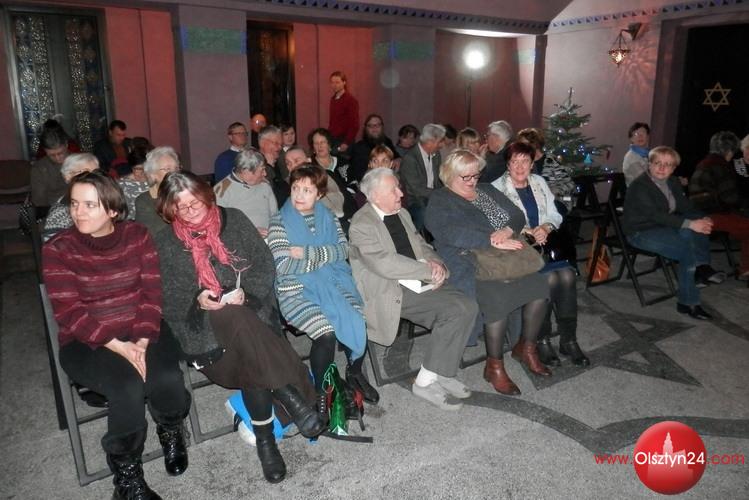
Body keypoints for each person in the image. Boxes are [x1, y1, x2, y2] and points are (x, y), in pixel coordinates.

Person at [155, 171, 325, 484]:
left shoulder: (234, 220)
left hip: (252, 320)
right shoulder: (165, 242)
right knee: (238, 324)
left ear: (207, 196)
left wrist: (246, 293)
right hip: (203, 332)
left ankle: (266, 441)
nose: (190, 212)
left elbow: (265, 264)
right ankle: (289, 393)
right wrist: (198, 300)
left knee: (246, 342)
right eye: (181, 207)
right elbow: (165, 297)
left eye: (195, 203)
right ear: (170, 209)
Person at [43, 171, 190, 499]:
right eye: (74, 204)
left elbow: (152, 292)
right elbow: (70, 313)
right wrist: (120, 348)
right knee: (127, 387)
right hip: (86, 342)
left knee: (167, 378)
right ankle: (126, 475)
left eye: (89, 205)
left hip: (141, 327)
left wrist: (140, 340)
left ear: (112, 210)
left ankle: (170, 430)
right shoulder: (58, 249)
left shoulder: (137, 235)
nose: (78, 212)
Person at [350, 168, 479, 410]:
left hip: (418, 278)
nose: (401, 193)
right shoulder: (361, 224)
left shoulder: (402, 213)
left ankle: (442, 373)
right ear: (375, 196)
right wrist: (426, 271)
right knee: (453, 311)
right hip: (390, 289)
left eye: (399, 187)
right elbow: (384, 263)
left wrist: (437, 265)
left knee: (469, 306)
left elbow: (422, 244)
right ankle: (424, 383)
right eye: (394, 190)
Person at [425, 150, 551, 396]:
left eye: (476, 175)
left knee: (539, 287)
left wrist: (506, 231)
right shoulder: (440, 199)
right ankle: (494, 366)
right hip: (467, 258)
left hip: (504, 255)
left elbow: (517, 215)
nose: (473, 181)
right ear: (449, 175)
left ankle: (526, 347)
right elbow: (447, 233)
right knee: (496, 297)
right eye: (466, 177)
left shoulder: (486, 190)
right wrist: (490, 240)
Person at [267, 166, 380, 415]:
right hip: (295, 290)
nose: (299, 195)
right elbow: (284, 265)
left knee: (357, 316)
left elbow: (344, 249)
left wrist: (307, 252)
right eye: (296, 188)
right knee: (326, 333)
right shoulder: (279, 222)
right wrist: (324, 256)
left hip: (333, 281)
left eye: (307, 190)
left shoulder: (327, 215)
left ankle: (354, 372)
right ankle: (321, 391)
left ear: (319, 194)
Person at [492, 142, 589, 366]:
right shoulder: (497, 189)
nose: (519, 166)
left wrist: (545, 227)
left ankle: (569, 340)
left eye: (525, 161)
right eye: (514, 161)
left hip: (547, 244)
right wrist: (528, 231)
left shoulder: (539, 182)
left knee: (567, 276)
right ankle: (541, 340)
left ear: (532, 163)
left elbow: (555, 213)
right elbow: (496, 224)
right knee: (549, 278)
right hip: (518, 248)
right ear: (507, 164)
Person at [622, 146, 725, 320]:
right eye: (658, 163)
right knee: (686, 250)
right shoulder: (639, 186)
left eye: (668, 164)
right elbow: (655, 215)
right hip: (641, 231)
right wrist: (691, 224)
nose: (662, 168)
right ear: (650, 164)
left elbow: (685, 206)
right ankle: (688, 302)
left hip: (663, 225)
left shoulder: (672, 182)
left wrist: (703, 218)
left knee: (696, 227)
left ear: (674, 168)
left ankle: (701, 267)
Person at [689, 131, 749, 279]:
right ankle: (746, 270)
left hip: (701, 211)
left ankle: (746, 269)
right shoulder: (721, 167)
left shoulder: (706, 162)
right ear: (730, 151)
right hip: (709, 214)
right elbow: (731, 199)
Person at [214, 147, 278, 238]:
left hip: (270, 239)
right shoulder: (222, 191)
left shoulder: (264, 186)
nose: (265, 174)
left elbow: (275, 216)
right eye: (262, 170)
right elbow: (218, 226)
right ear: (246, 171)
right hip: (241, 241)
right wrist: (249, 232)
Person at [42, 153, 100, 241]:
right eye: (87, 173)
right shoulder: (61, 211)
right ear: (68, 176)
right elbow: (52, 245)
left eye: (97, 173)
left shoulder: (106, 199)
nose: (95, 178)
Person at [516, 127, 576, 212]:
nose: (521, 148)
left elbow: (570, 184)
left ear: (534, 144)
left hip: (558, 200)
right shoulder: (524, 163)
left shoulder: (551, 161)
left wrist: (551, 191)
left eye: (524, 145)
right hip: (534, 202)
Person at [399, 123, 446, 231]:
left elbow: (438, 181)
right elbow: (415, 189)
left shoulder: (436, 155)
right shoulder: (410, 158)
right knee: (425, 212)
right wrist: (439, 194)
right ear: (430, 142)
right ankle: (416, 237)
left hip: (430, 196)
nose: (441, 145)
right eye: (440, 141)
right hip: (413, 199)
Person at [309, 128, 357, 226]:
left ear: (329, 145)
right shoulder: (311, 167)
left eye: (322, 142)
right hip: (324, 211)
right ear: (313, 147)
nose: (319, 146)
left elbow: (353, 184)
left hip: (349, 206)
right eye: (316, 143)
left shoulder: (343, 162)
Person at [134, 146, 180, 236]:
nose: (175, 173)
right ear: (152, 174)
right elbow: (151, 235)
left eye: (176, 168)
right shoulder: (144, 201)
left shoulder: (184, 194)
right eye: (167, 169)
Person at [348, 114, 400, 184]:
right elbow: (360, 176)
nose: (374, 128)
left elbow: (396, 155)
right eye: (370, 126)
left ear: (382, 127)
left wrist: (398, 159)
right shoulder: (359, 148)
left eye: (378, 125)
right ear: (366, 128)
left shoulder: (387, 142)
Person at [31, 127, 70, 207]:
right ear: (45, 151)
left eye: (60, 153)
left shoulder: (81, 162)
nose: (57, 158)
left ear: (66, 145)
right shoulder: (39, 168)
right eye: (52, 155)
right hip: (51, 208)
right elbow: (39, 200)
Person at [328, 70, 359, 153]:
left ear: (344, 82)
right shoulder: (333, 99)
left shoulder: (350, 100)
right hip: (333, 139)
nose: (334, 85)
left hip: (344, 141)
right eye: (332, 82)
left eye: (337, 82)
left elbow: (354, 124)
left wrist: (346, 142)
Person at [117, 148, 150, 220]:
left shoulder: (154, 180)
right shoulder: (122, 184)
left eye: (146, 168)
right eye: (138, 169)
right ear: (132, 168)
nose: (143, 172)